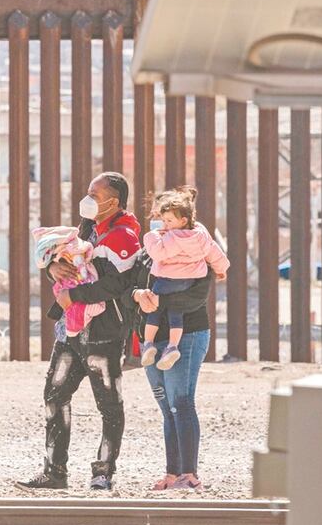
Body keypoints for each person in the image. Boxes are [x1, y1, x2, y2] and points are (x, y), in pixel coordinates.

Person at [17, 172, 140, 492]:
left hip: (104, 334)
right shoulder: (87, 230)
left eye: (95, 195)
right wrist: (52, 268)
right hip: (70, 333)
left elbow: (115, 285)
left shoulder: (124, 238)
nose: (87, 200)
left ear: (114, 202)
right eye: (88, 192)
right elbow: (66, 265)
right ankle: (54, 471)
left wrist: (74, 296)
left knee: (109, 405)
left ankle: (103, 473)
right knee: (54, 395)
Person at [129, 235, 216, 491]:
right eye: (162, 219)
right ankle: (172, 473)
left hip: (187, 335)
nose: (165, 226)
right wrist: (137, 295)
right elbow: (125, 287)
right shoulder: (145, 255)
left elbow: (198, 296)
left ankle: (189, 475)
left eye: (170, 220)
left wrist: (159, 301)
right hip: (151, 341)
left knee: (181, 402)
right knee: (167, 407)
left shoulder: (197, 251)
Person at [140, 187, 229, 370]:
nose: (165, 224)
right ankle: (172, 347)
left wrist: (151, 236)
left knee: (155, 308)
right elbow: (214, 251)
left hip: (167, 280)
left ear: (182, 220)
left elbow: (158, 253)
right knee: (176, 312)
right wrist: (221, 269)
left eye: (168, 221)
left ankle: (148, 343)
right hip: (188, 281)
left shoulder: (171, 237)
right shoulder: (201, 234)